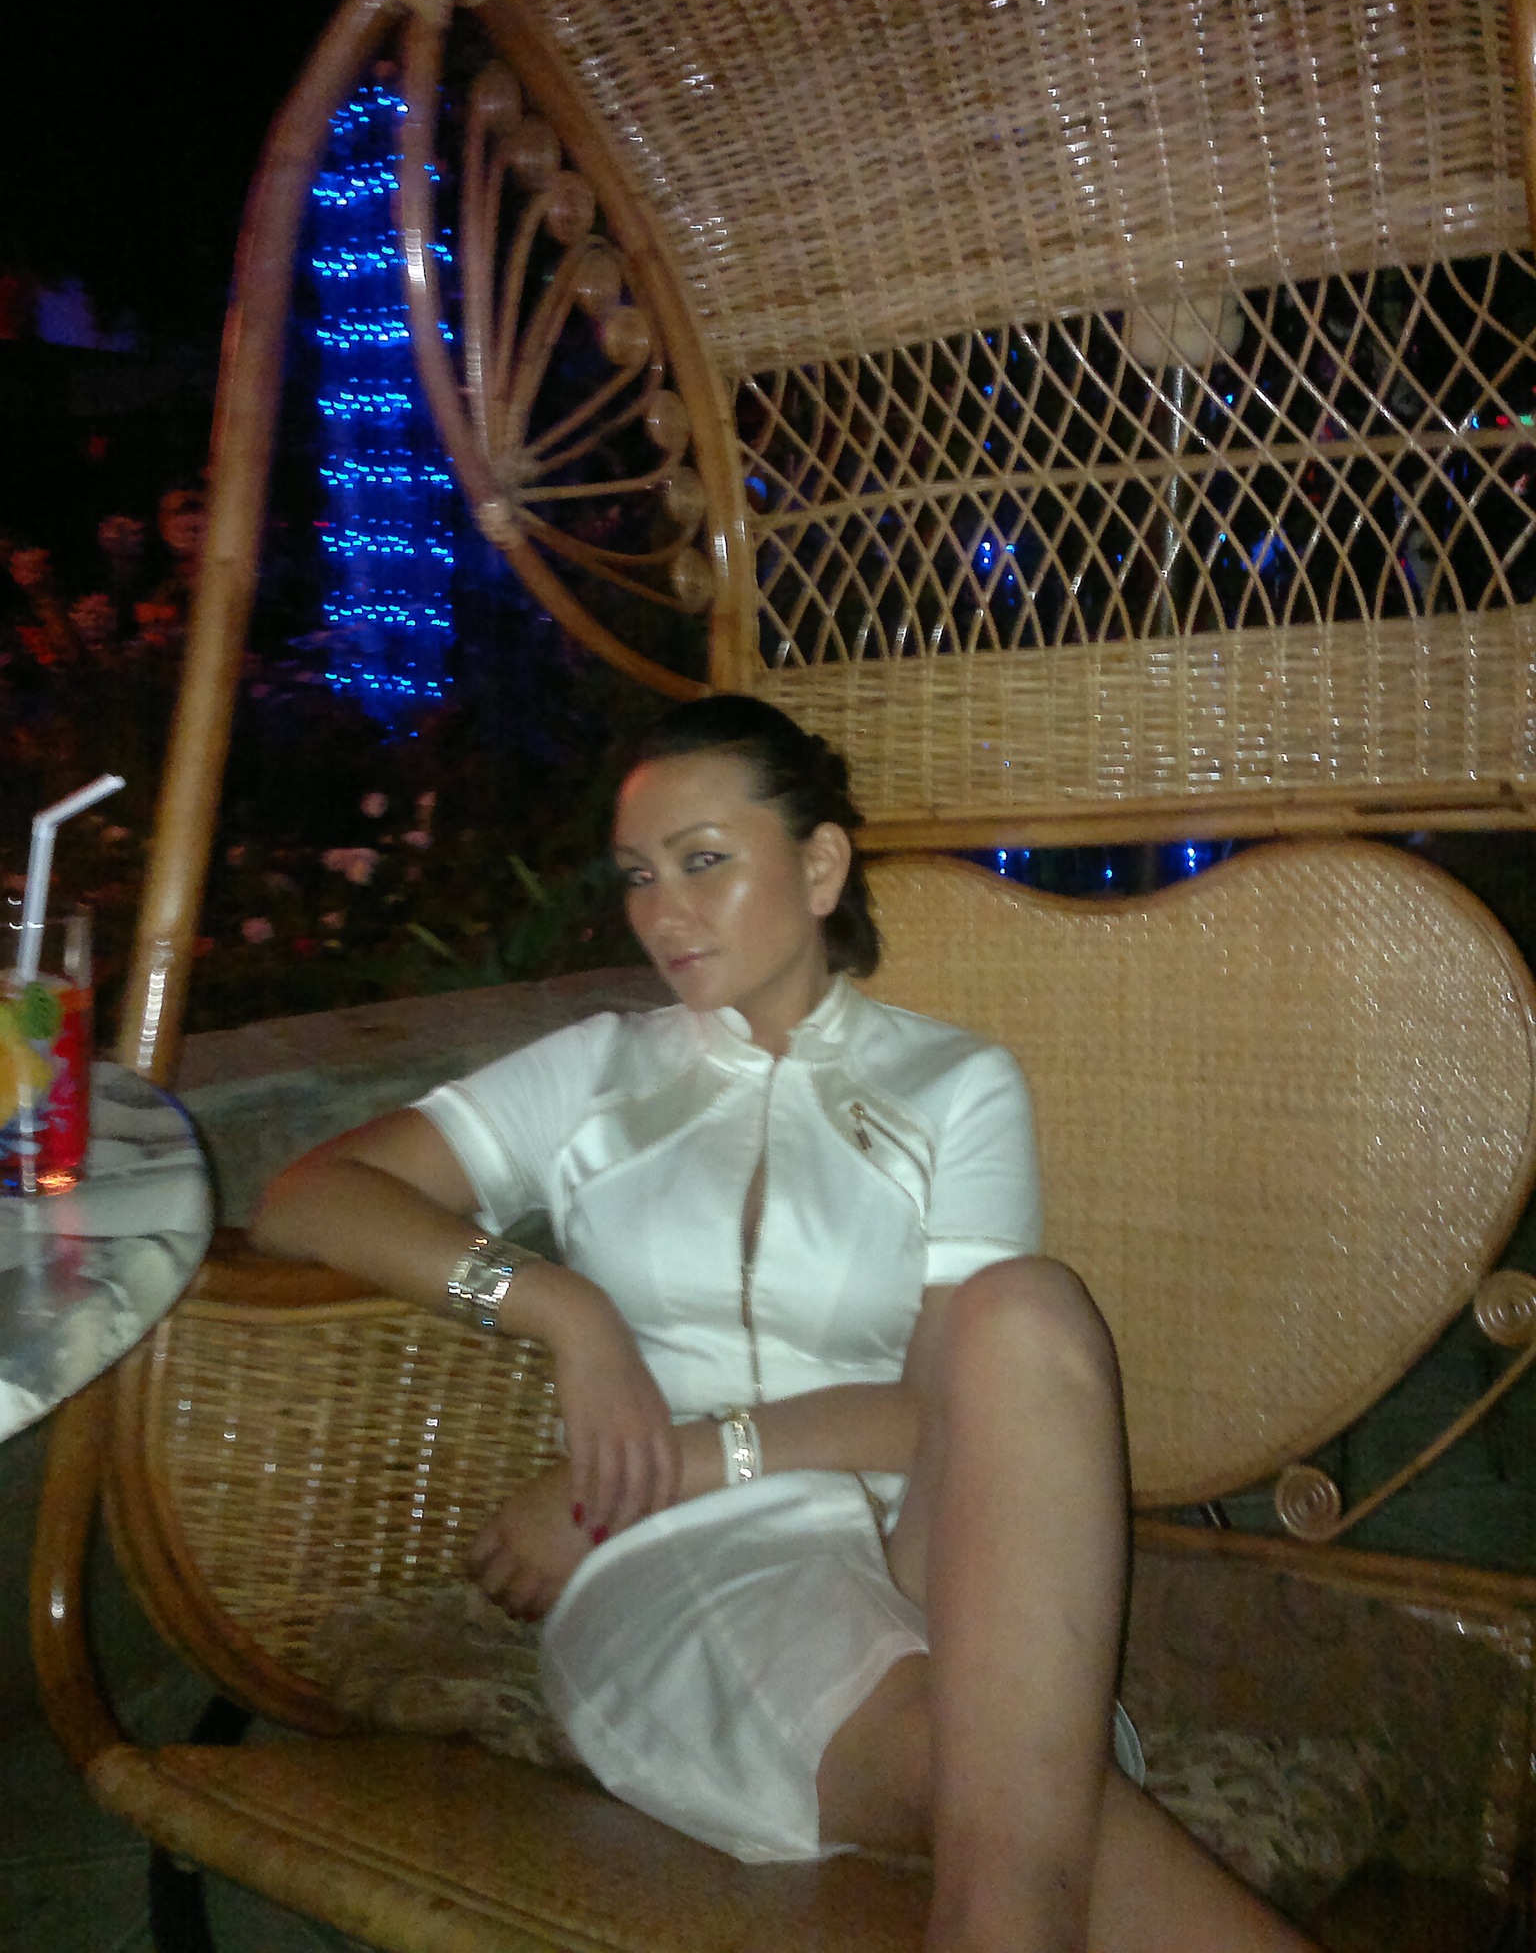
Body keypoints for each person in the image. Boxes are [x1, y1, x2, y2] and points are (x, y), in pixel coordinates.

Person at [252, 694, 1317, 1953]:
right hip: (680, 1566)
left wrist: (659, 1462)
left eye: (704, 860)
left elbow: (941, 1413)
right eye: (640, 875)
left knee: (1027, 1309)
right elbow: (306, 1195)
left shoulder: (954, 1084)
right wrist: (560, 1307)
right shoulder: (597, 1071)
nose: (664, 911)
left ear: (819, 867)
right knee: (988, 1763)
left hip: (917, 1540)